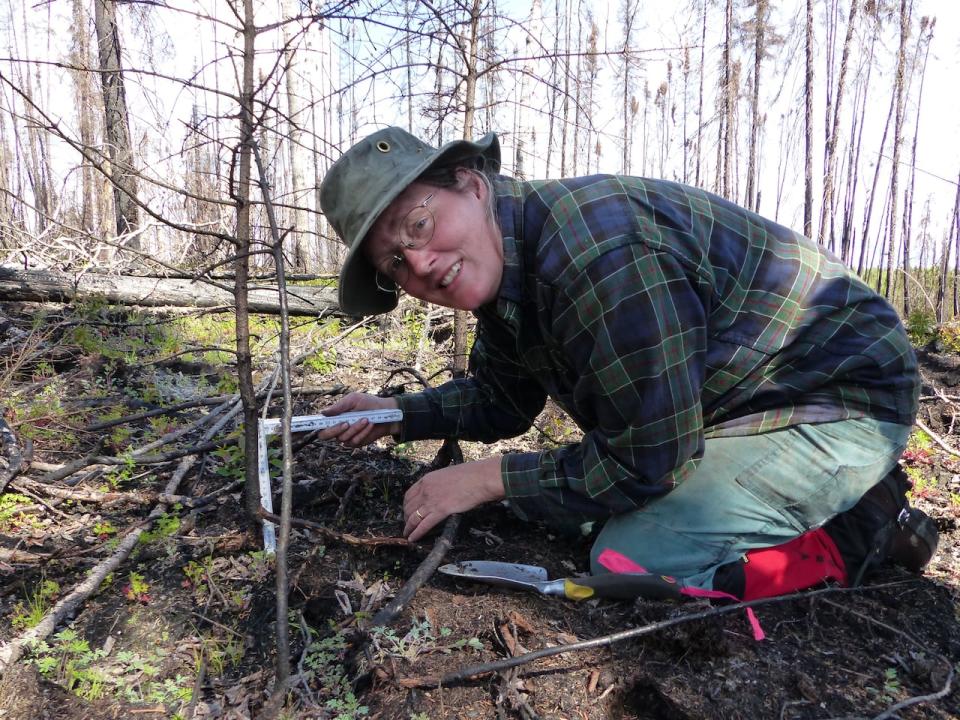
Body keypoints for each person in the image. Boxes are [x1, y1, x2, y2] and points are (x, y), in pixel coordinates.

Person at [315, 126, 937, 601]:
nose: (418, 264)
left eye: (419, 225)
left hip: (843, 399)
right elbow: (502, 399)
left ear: (473, 185)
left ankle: (860, 528)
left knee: (631, 556)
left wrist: (485, 478)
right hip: (739, 408)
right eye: (394, 263)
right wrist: (396, 413)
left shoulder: (594, 255)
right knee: (592, 511)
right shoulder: (509, 265)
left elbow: (648, 461)